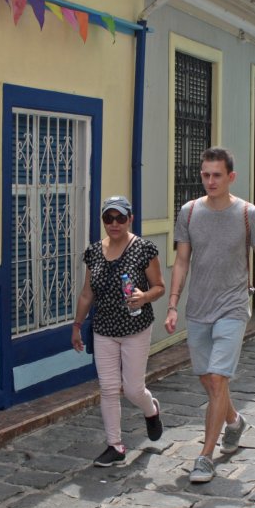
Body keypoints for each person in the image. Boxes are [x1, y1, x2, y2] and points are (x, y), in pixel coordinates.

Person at [165, 147, 255, 484]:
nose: (210, 180)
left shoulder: (248, 214)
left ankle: (205, 456)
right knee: (207, 380)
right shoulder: (189, 213)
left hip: (234, 307)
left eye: (217, 175)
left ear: (230, 177)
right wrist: (174, 303)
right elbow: (181, 261)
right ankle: (234, 421)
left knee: (219, 379)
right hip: (198, 308)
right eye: (205, 174)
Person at [71, 195, 165, 467]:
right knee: (109, 388)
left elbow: (160, 286)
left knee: (133, 390)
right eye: (108, 218)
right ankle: (115, 445)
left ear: (130, 218)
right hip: (104, 330)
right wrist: (77, 325)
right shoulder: (94, 252)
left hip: (135, 327)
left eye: (120, 218)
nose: (114, 223)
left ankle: (151, 409)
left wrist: (144, 296)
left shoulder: (144, 249)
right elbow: (87, 293)